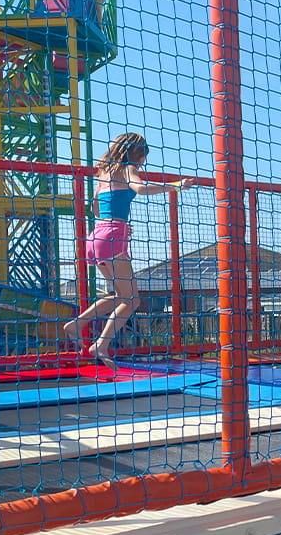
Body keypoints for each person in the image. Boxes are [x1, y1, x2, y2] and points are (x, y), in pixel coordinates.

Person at [64, 133, 193, 370]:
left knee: (123, 295)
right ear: (135, 153)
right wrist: (175, 186)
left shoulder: (103, 174)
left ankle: (78, 324)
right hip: (112, 238)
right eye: (143, 154)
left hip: (96, 237)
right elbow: (140, 189)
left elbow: (95, 208)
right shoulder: (127, 169)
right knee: (132, 299)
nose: (144, 160)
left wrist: (118, 223)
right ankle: (100, 344)